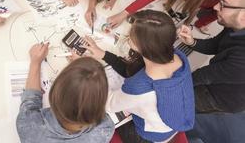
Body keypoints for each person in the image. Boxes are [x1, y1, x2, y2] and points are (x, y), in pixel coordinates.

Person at [82, 10, 195, 143]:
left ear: (141, 46)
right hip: (171, 122)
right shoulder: (177, 56)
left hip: (149, 136)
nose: (127, 34)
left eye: (131, 35)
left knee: (91, 120)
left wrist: (84, 69)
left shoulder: (139, 87)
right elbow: (133, 70)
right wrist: (103, 54)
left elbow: (108, 104)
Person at [16, 43, 115, 143]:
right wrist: (82, 72)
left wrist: (35, 62)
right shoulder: (105, 129)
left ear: (54, 94)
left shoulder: (29, 126)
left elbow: (30, 102)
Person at [178, 0, 245, 113]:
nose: (215, 7)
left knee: (177, 105)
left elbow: (206, 75)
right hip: (214, 77)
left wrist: (168, 86)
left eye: (223, 4)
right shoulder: (234, 25)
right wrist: (192, 41)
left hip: (221, 96)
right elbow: (215, 45)